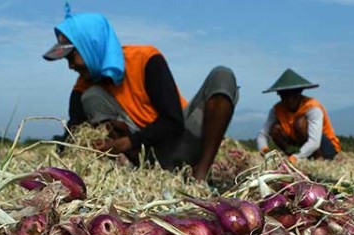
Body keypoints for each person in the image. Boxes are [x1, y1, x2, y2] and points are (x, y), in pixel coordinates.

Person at [42, 10, 238, 181]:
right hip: (148, 155)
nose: (70, 66)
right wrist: (56, 158)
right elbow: (75, 128)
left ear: (89, 46)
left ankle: (200, 174)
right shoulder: (84, 86)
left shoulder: (146, 59)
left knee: (222, 76)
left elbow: (173, 121)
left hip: (182, 139)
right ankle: (150, 170)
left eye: (71, 57)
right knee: (91, 96)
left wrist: (128, 142)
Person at [256, 69, 341, 164]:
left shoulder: (312, 107)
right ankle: (292, 154)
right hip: (300, 145)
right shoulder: (277, 109)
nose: (289, 100)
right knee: (275, 129)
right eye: (285, 96)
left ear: (300, 93)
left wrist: (296, 158)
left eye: (293, 95)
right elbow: (262, 134)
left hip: (325, 147)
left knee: (300, 123)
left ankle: (318, 158)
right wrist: (265, 151)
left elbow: (314, 142)